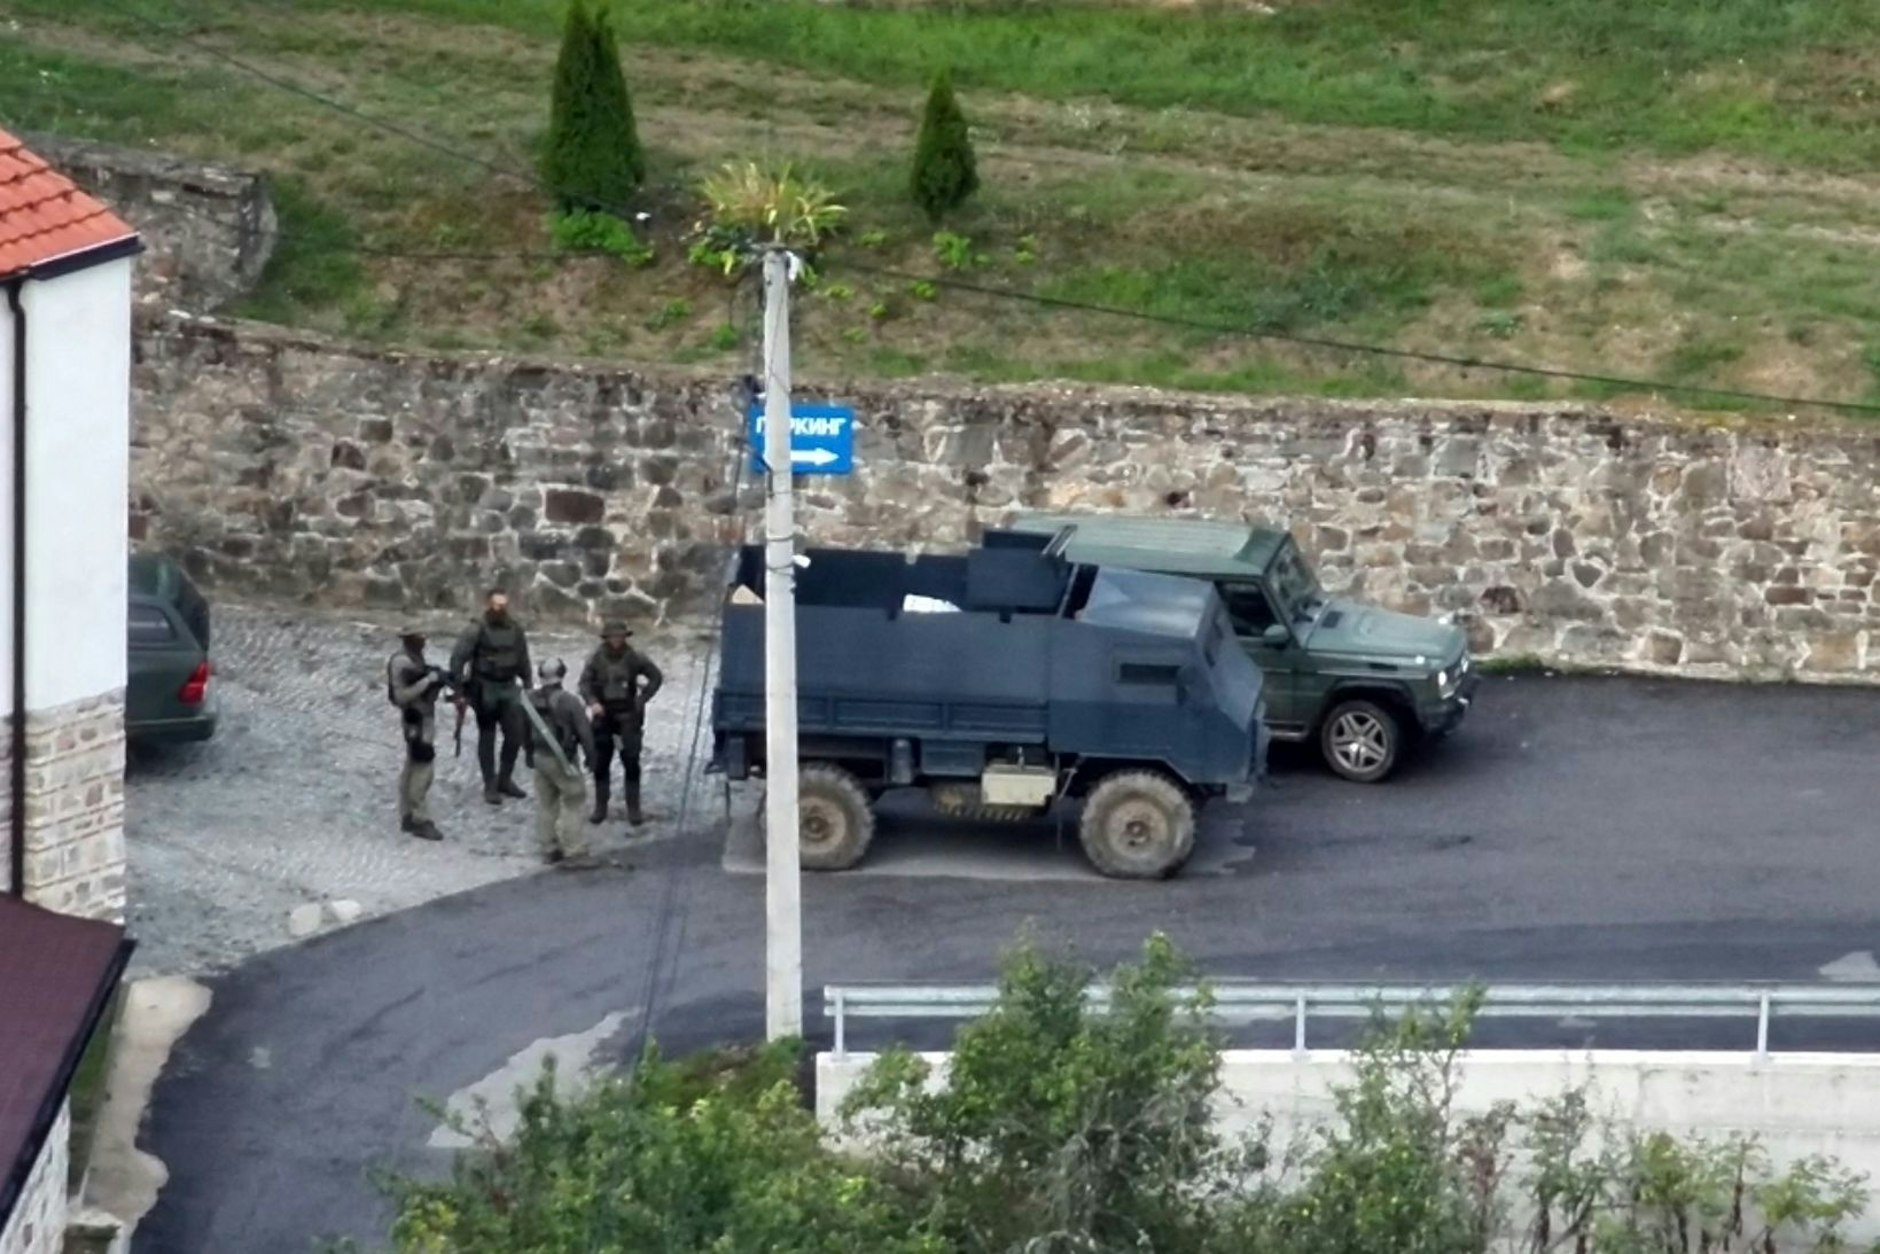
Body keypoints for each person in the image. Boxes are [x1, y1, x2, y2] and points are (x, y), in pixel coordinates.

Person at [450, 588, 532, 805]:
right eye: (497, 605)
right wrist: (458, 691)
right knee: (487, 736)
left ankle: (505, 779)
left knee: (515, 735)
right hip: (484, 688)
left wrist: (529, 684)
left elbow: (523, 658)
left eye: (504, 605)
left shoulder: (515, 629)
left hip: (508, 687)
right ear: (489, 605)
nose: (501, 609)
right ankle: (490, 783)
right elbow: (458, 659)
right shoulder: (475, 630)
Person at [577, 619, 663, 827]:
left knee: (631, 762)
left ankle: (633, 807)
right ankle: (600, 806)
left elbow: (656, 677)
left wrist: (641, 700)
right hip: (603, 717)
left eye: (620, 637)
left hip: (628, 716)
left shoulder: (635, 657)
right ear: (606, 638)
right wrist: (593, 702)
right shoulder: (596, 658)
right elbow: (584, 683)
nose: (617, 640)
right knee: (601, 762)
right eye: (613, 637)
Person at [525, 659, 598, 869]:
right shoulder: (569, 701)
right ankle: (574, 849)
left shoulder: (528, 699)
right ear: (563, 674)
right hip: (563, 759)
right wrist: (591, 757)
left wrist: (529, 754)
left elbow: (521, 730)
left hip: (540, 756)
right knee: (574, 802)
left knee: (546, 803)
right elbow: (584, 732)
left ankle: (548, 848)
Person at [385, 624, 448, 842]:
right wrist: (427, 681)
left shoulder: (413, 658)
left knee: (413, 765)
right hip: (416, 719)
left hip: (421, 718)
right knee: (422, 767)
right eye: (420, 636)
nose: (424, 639)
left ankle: (407, 814)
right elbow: (402, 696)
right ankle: (419, 817)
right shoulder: (402, 662)